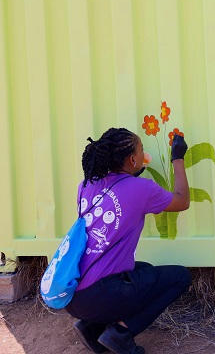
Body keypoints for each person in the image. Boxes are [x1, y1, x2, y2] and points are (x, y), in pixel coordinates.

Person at [66, 127, 192, 354]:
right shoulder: (141, 188)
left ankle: (90, 327)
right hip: (100, 294)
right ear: (133, 159)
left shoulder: (85, 185)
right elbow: (182, 201)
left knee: (145, 270)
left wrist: (131, 175)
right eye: (141, 151)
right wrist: (178, 158)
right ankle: (121, 334)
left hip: (73, 294)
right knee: (179, 277)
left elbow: (118, 192)